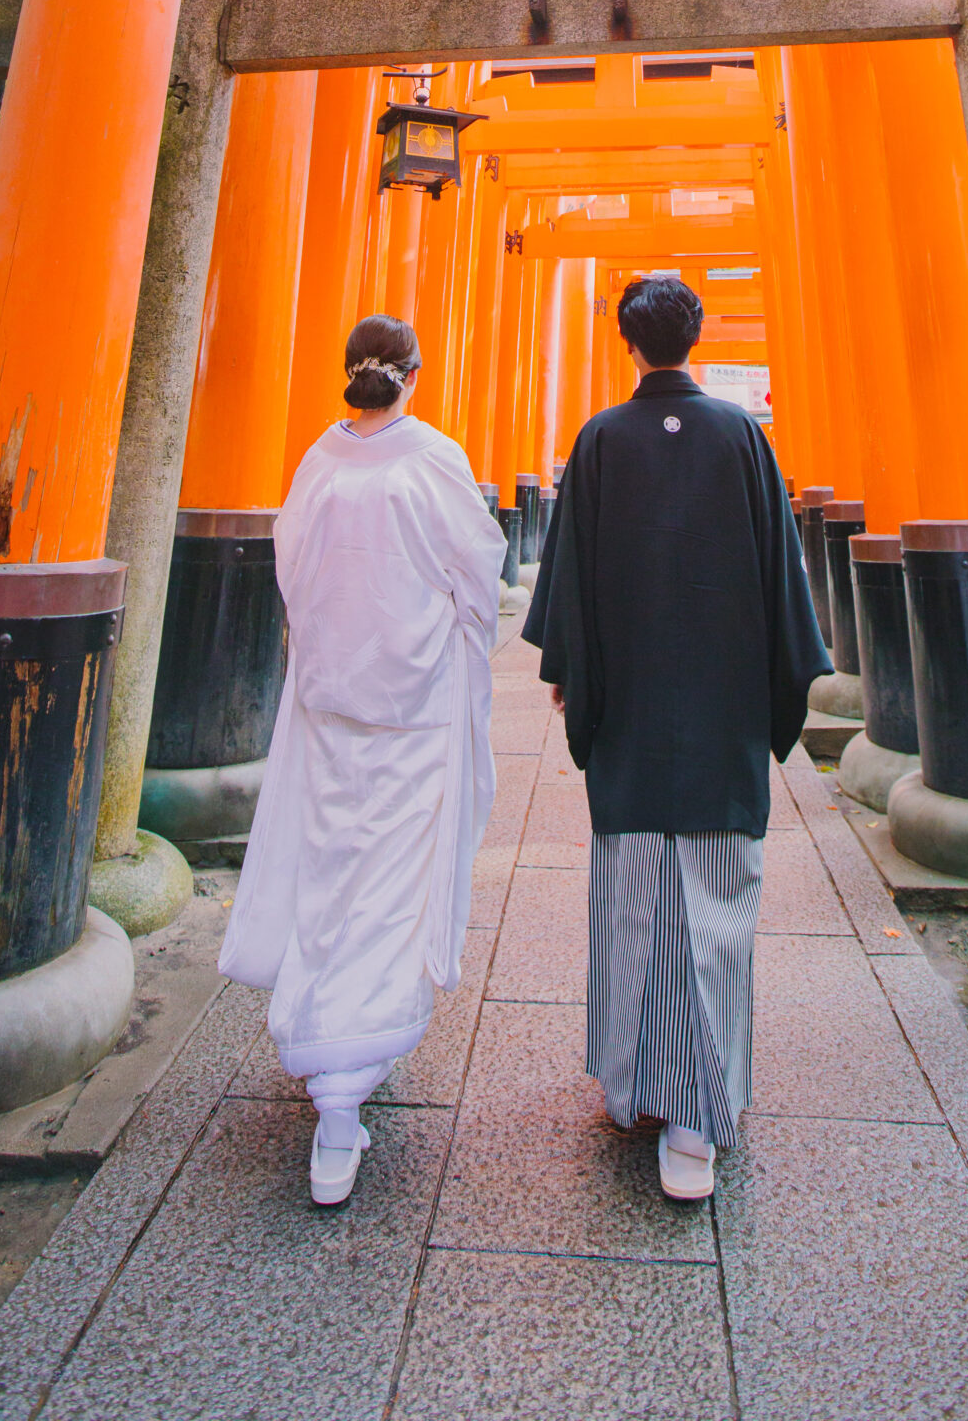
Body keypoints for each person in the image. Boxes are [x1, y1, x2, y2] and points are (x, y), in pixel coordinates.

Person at [522, 273, 828, 1200]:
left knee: (631, 895)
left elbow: (567, 582)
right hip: (723, 710)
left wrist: (573, 675)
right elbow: (783, 584)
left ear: (627, 342)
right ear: (692, 338)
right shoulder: (742, 438)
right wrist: (777, 693)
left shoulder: (600, 440)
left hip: (632, 712)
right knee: (714, 903)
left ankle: (645, 1089)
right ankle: (697, 1105)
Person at [219, 313, 506, 1206]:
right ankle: (343, 1090)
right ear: (412, 376)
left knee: (331, 872)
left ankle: (327, 1051)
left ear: (351, 373)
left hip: (331, 704)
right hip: (412, 712)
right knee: (390, 884)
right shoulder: (435, 462)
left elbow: (292, 579)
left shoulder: (316, 465)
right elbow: (477, 576)